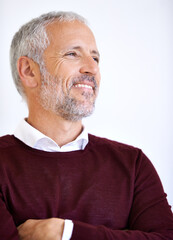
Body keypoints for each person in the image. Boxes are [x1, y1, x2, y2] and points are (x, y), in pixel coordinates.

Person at [0, 11, 173, 240]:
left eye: (95, 58)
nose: (92, 69)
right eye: (72, 54)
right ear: (29, 71)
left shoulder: (133, 165)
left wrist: (67, 233)